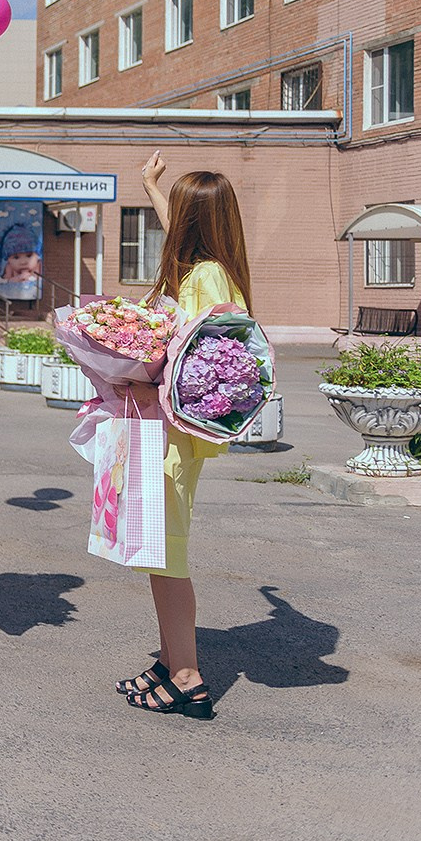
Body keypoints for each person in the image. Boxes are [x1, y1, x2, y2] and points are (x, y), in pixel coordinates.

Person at [115, 150, 252, 721]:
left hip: (174, 433)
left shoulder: (206, 276)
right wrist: (153, 187)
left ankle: (189, 678)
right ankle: (172, 661)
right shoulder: (206, 268)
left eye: (176, 211)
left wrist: (137, 368)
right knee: (156, 549)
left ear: (192, 221)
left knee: (167, 552)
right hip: (169, 430)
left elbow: (200, 357)